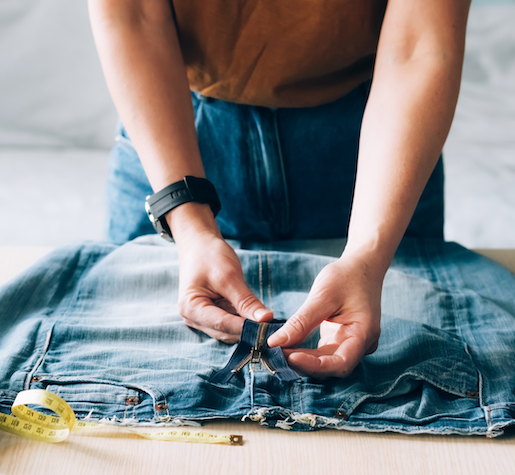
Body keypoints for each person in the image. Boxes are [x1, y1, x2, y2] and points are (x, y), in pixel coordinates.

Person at [87, 0, 472, 379]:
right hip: (169, 138)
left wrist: (367, 259)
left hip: (379, 155)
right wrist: (189, 227)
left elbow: (419, 42)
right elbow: (131, 14)